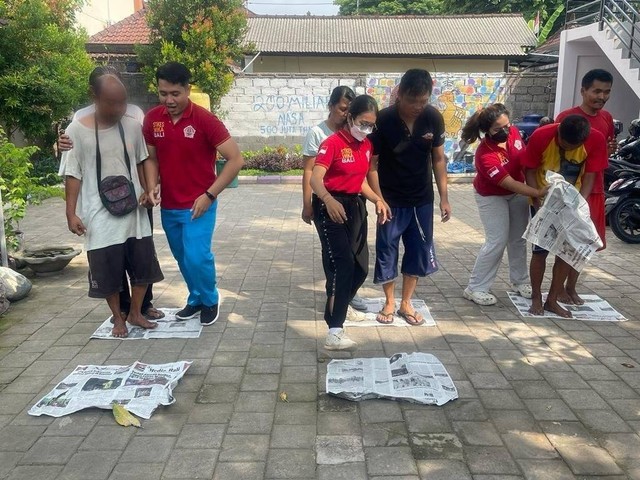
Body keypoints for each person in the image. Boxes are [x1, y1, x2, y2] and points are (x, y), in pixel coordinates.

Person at [57, 66, 164, 321]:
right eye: (112, 103)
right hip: (98, 212)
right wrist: (71, 214)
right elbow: (73, 174)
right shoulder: (76, 131)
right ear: (93, 95)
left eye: (123, 102)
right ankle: (118, 316)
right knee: (107, 269)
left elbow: (141, 161)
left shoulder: (132, 124)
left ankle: (137, 312)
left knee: (142, 265)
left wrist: (147, 191)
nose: (119, 109)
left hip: (134, 211)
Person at [143, 62, 244, 326]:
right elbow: (151, 158)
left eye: (175, 93)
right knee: (183, 257)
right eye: (163, 93)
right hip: (170, 206)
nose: (169, 100)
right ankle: (196, 298)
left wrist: (209, 195)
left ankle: (210, 299)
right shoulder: (153, 119)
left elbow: (235, 160)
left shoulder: (205, 120)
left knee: (198, 256)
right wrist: (152, 185)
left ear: (187, 90)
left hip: (200, 204)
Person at [368, 69, 451, 325]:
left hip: (421, 200)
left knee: (418, 250)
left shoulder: (433, 118)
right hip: (391, 200)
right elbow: (372, 164)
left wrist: (444, 198)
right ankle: (389, 302)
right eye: (412, 100)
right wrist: (379, 199)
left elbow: (438, 159)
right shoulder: (384, 120)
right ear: (400, 94)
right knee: (387, 250)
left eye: (423, 101)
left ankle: (406, 302)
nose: (417, 106)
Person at [310, 95, 389, 350]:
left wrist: (377, 199)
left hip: (355, 206)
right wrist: (328, 200)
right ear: (350, 117)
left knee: (360, 267)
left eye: (371, 125)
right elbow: (315, 178)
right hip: (330, 207)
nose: (366, 129)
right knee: (341, 265)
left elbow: (361, 181)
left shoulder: (365, 145)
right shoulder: (332, 143)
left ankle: (339, 304)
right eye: (362, 123)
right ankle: (334, 330)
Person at [460, 104, 548, 306]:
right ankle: (475, 288)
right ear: (487, 131)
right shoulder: (484, 155)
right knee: (497, 241)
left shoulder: (515, 133)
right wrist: (536, 193)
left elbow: (525, 163)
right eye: (498, 129)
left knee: (518, 239)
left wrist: (534, 193)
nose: (506, 131)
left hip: (517, 193)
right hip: (491, 196)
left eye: (507, 125)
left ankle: (520, 281)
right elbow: (508, 182)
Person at [523, 115, 608, 317]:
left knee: (566, 252)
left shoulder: (595, 140)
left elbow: (590, 176)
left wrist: (579, 205)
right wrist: (536, 200)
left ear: (582, 141)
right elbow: (530, 170)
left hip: (572, 202)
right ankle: (536, 296)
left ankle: (552, 299)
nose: (567, 149)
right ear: (558, 132)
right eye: (563, 144)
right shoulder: (542, 136)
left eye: (572, 147)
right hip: (543, 199)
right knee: (540, 250)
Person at [301, 86, 369, 315]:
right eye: (342, 108)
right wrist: (308, 204)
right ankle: (335, 301)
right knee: (335, 255)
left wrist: (377, 199)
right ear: (331, 106)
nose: (345, 114)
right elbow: (310, 173)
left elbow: (360, 175)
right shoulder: (320, 135)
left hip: (352, 202)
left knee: (354, 256)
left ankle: (346, 294)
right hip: (326, 200)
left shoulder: (358, 137)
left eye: (349, 110)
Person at [555, 69, 615, 305]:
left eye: (607, 92)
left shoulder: (607, 118)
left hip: (597, 189)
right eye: (596, 91)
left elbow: (604, 151)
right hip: (571, 190)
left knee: (586, 243)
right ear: (583, 91)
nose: (601, 96)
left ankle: (571, 287)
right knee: (567, 241)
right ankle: (557, 289)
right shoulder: (566, 117)